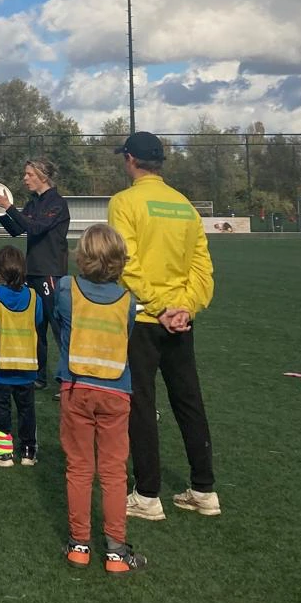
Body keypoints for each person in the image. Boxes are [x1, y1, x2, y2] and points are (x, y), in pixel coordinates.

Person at [107, 131, 219, 521]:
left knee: (141, 404)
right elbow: (202, 269)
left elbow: (127, 263)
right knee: (189, 401)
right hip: (181, 322)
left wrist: (158, 306)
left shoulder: (124, 202)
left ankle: (147, 494)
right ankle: (204, 490)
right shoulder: (184, 205)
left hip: (143, 318)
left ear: (131, 161)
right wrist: (183, 308)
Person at [54, 224, 145, 574]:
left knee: (79, 468)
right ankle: (116, 552)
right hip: (116, 391)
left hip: (76, 387)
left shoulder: (66, 289)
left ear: (82, 256)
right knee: (113, 473)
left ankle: (79, 545)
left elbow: (57, 321)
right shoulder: (128, 301)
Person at [0, 159, 70, 390]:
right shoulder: (33, 203)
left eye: (29, 174)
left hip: (51, 273)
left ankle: (68, 380)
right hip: (33, 273)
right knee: (37, 328)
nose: (25, 178)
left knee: (59, 329)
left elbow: (36, 228)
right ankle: (40, 377)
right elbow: (17, 229)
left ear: (42, 176)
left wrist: (9, 207)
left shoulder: (57, 203)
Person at [0, 244, 43, 466]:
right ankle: (29, 452)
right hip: (27, 367)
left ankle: (4, 454)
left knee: (1, 409)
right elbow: (38, 320)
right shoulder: (34, 297)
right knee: (26, 409)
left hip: (1, 367)